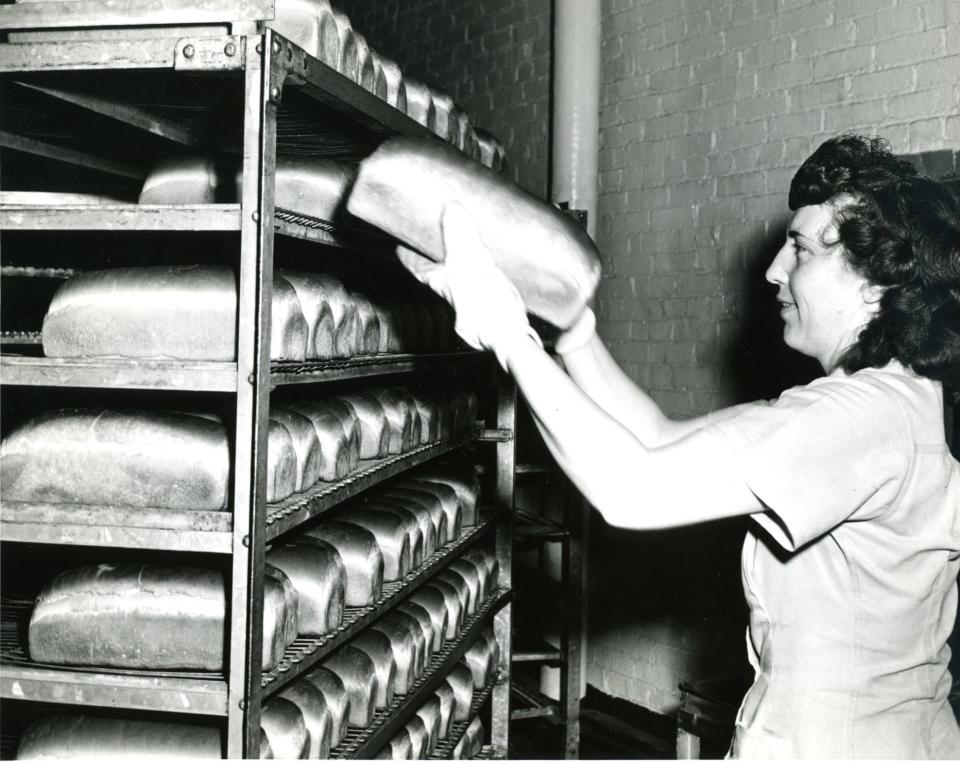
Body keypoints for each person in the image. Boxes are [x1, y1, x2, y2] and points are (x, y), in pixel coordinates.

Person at [399, 134, 960, 758]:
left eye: (799, 248)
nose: (774, 269)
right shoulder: (880, 401)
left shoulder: (856, 418)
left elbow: (632, 490)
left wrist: (509, 338)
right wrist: (572, 330)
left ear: (874, 281)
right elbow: (659, 437)